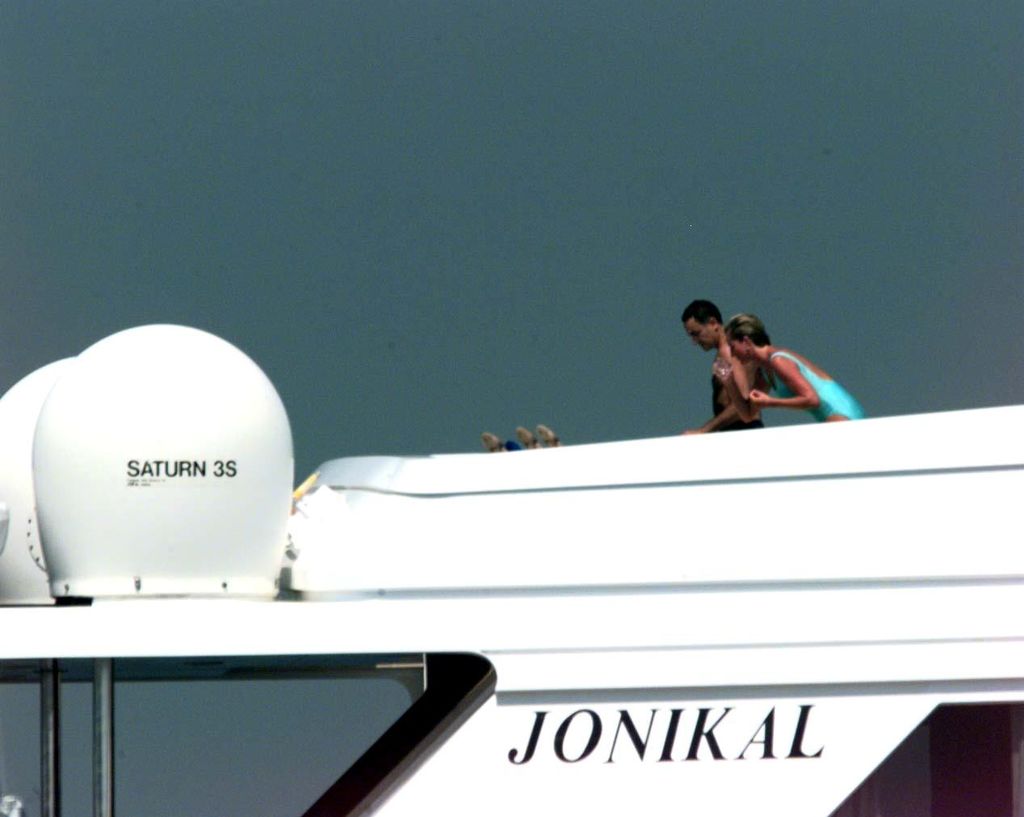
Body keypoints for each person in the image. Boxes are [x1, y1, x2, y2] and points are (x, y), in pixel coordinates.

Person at [723, 313, 865, 422]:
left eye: (732, 346)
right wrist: (728, 381)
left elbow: (812, 399)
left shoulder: (778, 360)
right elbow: (748, 414)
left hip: (841, 412)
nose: (731, 353)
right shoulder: (765, 371)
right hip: (830, 417)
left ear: (746, 341)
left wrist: (771, 402)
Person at [680, 300, 765, 433]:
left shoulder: (737, 352)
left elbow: (746, 403)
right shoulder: (722, 356)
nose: (694, 342)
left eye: (696, 334)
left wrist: (704, 430)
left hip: (745, 432)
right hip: (731, 432)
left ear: (713, 323)